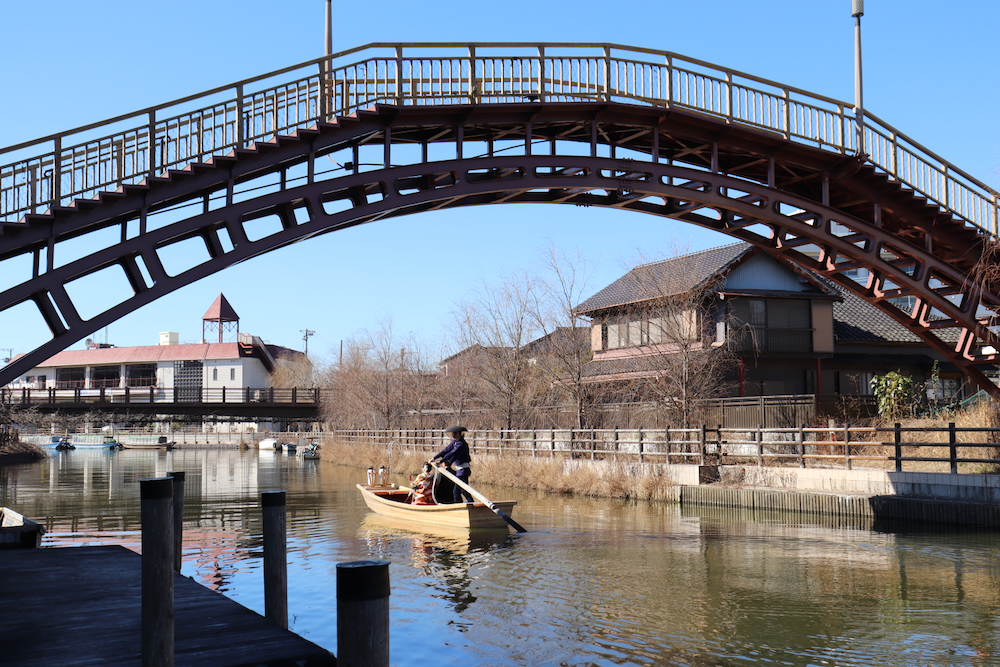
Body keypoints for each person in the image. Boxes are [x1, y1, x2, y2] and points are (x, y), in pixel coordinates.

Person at [431, 425, 474, 503]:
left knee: (456, 491)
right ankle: (471, 503)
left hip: (463, 471)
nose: (452, 435)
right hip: (459, 471)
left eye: (453, 433)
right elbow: (446, 450)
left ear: (457, 433)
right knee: (464, 491)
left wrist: (440, 462)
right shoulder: (455, 442)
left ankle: (458, 507)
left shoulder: (461, 444)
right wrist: (434, 458)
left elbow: (451, 453)